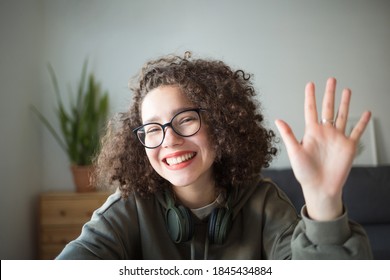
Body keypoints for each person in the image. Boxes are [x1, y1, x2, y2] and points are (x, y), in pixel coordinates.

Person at [56, 52, 373, 259]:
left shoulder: (264, 201)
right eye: (152, 128)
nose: (170, 139)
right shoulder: (130, 205)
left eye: (186, 120)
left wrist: (323, 200)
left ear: (220, 125)